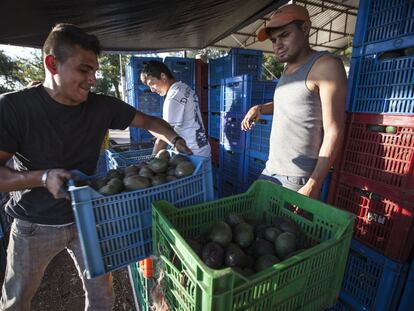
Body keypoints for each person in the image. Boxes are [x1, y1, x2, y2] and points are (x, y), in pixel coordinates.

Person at [0, 23, 192, 311]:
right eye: (84, 70)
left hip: (88, 216)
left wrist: (175, 139)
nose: (92, 79)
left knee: (103, 297)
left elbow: (151, 122)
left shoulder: (101, 106)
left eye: (94, 71)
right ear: (52, 64)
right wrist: (41, 177)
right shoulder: (14, 108)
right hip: (34, 224)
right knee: (16, 301)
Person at [241, 4, 347, 199]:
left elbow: (335, 131)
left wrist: (313, 185)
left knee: (280, 229)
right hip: (272, 168)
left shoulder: (326, 66)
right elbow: (295, 104)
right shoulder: (287, 68)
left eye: (285, 35)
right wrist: (261, 108)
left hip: (297, 178)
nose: (277, 45)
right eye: (274, 40)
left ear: (305, 28)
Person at [140, 60, 211, 157]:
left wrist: (152, 159)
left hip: (191, 153)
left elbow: (165, 134)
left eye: (152, 83)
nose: (152, 90)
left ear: (163, 76)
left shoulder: (173, 97)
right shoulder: (185, 88)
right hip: (202, 148)